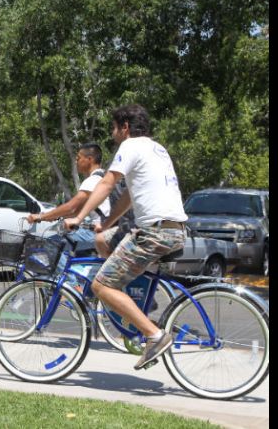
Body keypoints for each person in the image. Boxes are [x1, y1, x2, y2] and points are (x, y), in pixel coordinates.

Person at [65, 104, 187, 370]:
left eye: (113, 127)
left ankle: (154, 335)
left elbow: (106, 184)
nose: (112, 133)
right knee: (106, 245)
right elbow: (129, 197)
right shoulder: (157, 148)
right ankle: (136, 311)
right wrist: (106, 223)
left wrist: (78, 217)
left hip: (154, 233)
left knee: (101, 285)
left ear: (125, 127)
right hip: (175, 230)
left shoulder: (130, 146)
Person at [26, 143, 111, 257]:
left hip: (97, 231)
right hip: (104, 230)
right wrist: (53, 216)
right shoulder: (104, 177)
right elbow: (78, 211)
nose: (76, 162)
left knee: (50, 244)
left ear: (90, 159)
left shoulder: (93, 180)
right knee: (76, 257)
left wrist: (41, 216)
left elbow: (71, 207)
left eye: (78, 158)